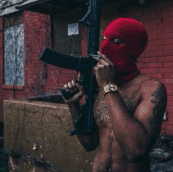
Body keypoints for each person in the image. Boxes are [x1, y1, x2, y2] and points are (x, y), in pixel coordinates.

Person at [63, 18, 167, 172]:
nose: (105, 47)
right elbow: (89, 143)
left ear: (132, 48)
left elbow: (136, 151)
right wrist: (73, 105)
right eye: (104, 39)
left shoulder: (150, 89)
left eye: (116, 41)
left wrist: (107, 86)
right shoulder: (98, 87)